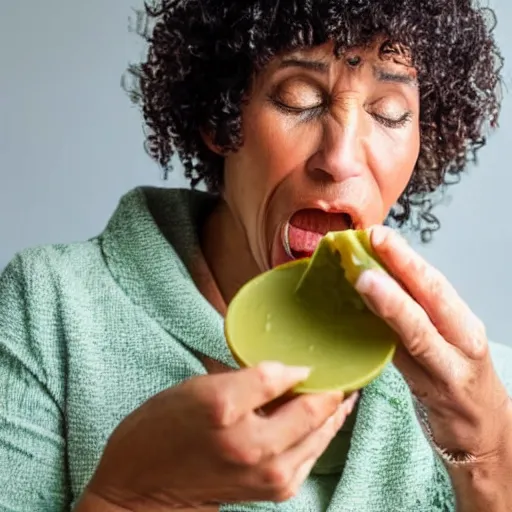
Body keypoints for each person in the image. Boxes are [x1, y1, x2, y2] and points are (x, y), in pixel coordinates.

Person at [1, 0, 511, 511]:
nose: (340, 158)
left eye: (389, 113)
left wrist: (489, 458)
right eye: (298, 99)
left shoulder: (489, 393)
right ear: (220, 120)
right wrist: (129, 500)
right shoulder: (49, 307)